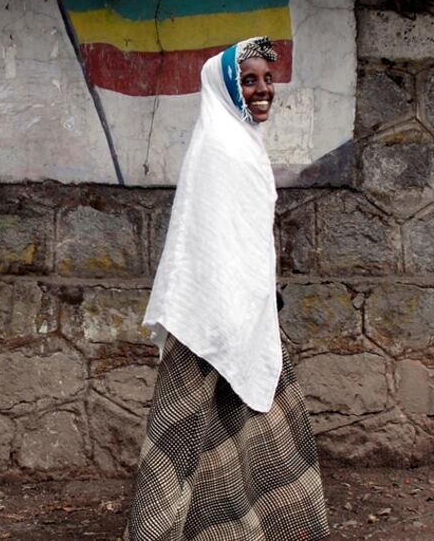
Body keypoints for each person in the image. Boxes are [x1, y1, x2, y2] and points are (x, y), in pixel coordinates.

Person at [125, 37, 329, 540]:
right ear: (226, 87)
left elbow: (243, 235)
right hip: (209, 315)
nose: (263, 90)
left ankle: (245, 528)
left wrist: (255, 300)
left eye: (267, 79)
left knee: (245, 429)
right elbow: (205, 242)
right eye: (249, 80)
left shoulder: (239, 140)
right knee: (185, 435)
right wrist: (227, 311)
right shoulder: (220, 147)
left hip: (244, 310)